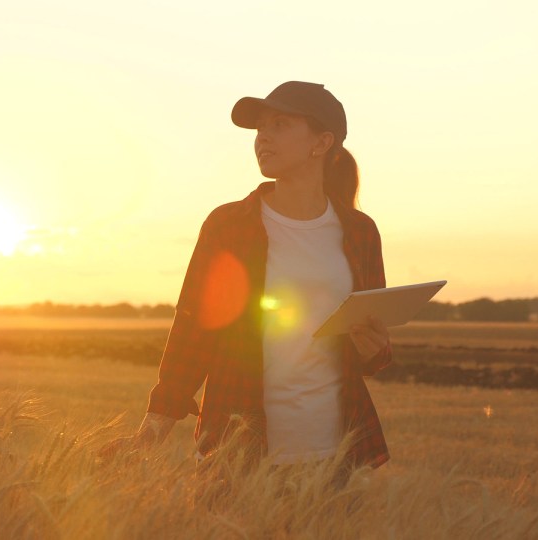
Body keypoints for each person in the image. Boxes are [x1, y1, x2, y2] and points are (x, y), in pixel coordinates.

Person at [100, 81, 393, 470]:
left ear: (321, 143)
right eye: (260, 128)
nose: (263, 138)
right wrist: (154, 426)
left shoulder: (360, 232)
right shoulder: (229, 225)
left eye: (280, 125)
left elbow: (367, 341)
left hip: (336, 453)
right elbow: (194, 327)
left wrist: (375, 350)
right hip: (237, 448)